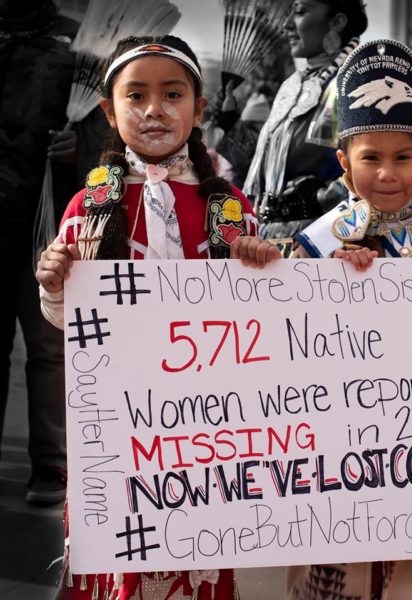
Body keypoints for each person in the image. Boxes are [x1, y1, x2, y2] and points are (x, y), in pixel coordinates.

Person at [232, 38, 412, 600]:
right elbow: (282, 341)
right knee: (328, 575)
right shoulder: (317, 243)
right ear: (345, 164)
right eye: (371, 157)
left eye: (403, 158)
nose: (388, 173)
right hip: (332, 461)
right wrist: (308, 279)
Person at [35, 34, 270, 600]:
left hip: (207, 430)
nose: (154, 110)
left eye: (172, 94)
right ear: (109, 112)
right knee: (115, 559)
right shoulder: (88, 207)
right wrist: (54, 283)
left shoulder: (231, 210)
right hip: (117, 428)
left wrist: (266, 265)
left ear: (199, 109)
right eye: (135, 96)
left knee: (198, 551)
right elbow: (71, 322)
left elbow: (264, 325)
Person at [0, 0, 75, 505]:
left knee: (48, 348)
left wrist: (77, 145)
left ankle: (52, 465)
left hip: (43, 223)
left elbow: (101, 138)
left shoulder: (73, 56)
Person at [242, 0, 368, 243]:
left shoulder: (353, 85)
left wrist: (321, 198)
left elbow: (373, 169)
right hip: (271, 239)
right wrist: (229, 125)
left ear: (337, 22)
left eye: (299, 12)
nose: (287, 25)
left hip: (322, 241)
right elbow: (267, 173)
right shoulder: (293, 85)